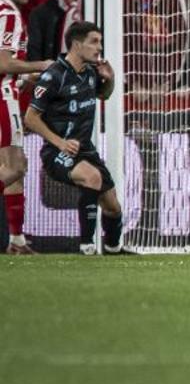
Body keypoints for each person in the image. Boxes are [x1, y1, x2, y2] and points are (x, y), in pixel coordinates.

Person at [24, 22, 130, 255]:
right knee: (92, 177)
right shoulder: (54, 75)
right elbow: (30, 118)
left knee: (113, 207)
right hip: (57, 151)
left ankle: (114, 249)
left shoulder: (91, 72)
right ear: (76, 44)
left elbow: (103, 95)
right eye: (94, 42)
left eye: (100, 42)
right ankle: (87, 246)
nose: (99, 47)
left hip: (85, 150)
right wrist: (60, 142)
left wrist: (110, 79)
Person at [0, 0, 52, 254]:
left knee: (12, 168)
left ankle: (17, 240)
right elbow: (3, 64)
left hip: (9, 87)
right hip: (2, 94)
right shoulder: (7, 12)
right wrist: (43, 65)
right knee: (16, 166)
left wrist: (25, 76)